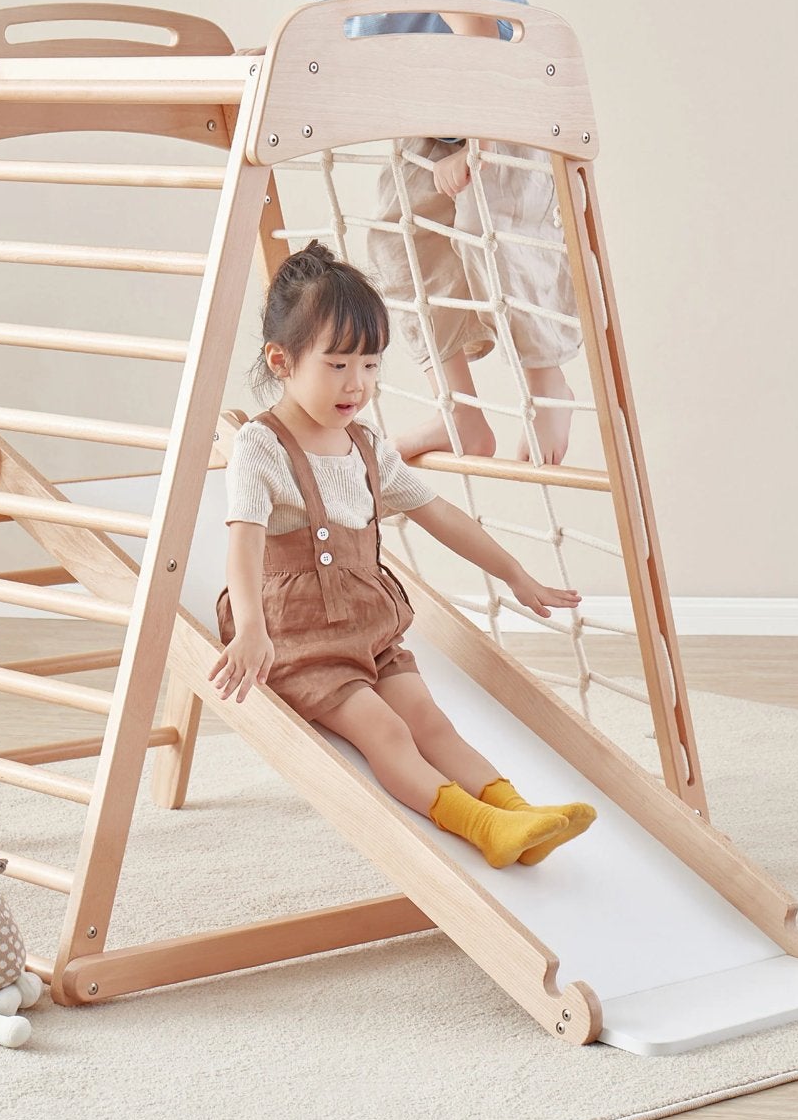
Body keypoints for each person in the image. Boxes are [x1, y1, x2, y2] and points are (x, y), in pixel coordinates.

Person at [218, 0, 582, 466]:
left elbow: (473, 23)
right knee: (397, 245)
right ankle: (460, 414)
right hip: (424, 107)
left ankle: (550, 394)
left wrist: (470, 142)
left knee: (492, 233)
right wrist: (284, 56)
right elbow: (344, 28)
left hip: (500, 88)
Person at [213, 242, 597, 868]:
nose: (357, 384)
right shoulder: (262, 445)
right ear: (282, 362)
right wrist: (252, 630)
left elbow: (439, 514)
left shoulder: (366, 446)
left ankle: (519, 813)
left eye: (369, 365)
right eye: (338, 365)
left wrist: (516, 575)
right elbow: (244, 540)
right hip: (295, 638)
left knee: (430, 721)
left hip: (368, 629)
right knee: (386, 730)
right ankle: (481, 827)